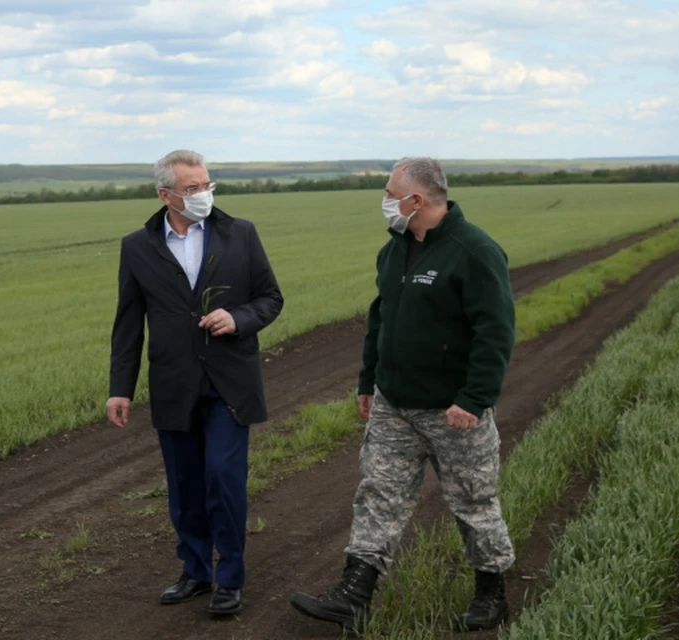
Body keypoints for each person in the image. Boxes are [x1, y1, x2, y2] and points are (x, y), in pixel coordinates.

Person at [290, 157, 516, 633]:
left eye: (391, 193)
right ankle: (354, 595)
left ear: (416, 200)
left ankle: (492, 592)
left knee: (473, 502)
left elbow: (494, 333)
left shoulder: (474, 252)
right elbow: (382, 320)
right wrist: (369, 380)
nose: (386, 202)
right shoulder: (393, 251)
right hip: (395, 406)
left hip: (454, 410)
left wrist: (474, 399)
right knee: (379, 494)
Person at [106, 149, 283, 616]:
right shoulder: (137, 246)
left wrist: (239, 317)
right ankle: (195, 570)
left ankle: (230, 578)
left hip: (229, 383)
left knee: (224, 480)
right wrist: (119, 388)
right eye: (192, 188)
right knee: (184, 485)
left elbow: (270, 298)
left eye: (207, 185)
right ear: (166, 195)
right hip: (173, 384)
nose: (203, 194)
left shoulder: (239, 234)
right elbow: (128, 325)